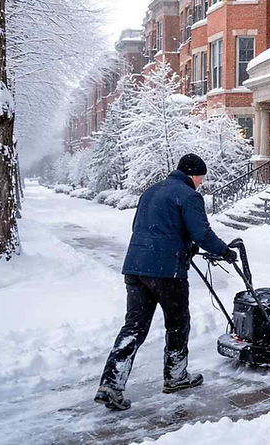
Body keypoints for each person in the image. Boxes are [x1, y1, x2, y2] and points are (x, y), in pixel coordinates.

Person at [94, 153, 236, 411]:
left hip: (136, 267)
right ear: (192, 175)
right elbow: (201, 232)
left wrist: (184, 247)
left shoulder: (151, 191)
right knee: (178, 323)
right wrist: (224, 251)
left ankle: (110, 384)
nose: (201, 183)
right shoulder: (189, 195)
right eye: (201, 178)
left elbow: (145, 226)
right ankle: (176, 376)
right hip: (166, 272)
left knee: (134, 327)